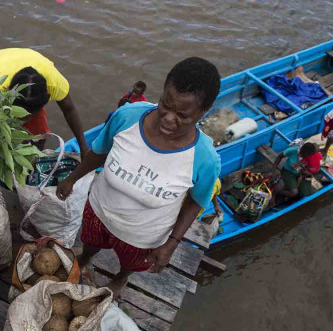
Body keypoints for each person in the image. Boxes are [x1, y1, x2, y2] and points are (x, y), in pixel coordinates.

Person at [56, 57, 221, 298]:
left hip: (144, 235)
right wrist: (72, 178)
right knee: (90, 241)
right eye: (165, 104)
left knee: (130, 263)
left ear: (203, 111)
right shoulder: (127, 117)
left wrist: (171, 244)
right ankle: (86, 257)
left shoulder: (205, 158)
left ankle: (121, 278)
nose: (168, 118)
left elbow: (196, 201)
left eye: (182, 116)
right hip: (99, 210)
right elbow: (99, 152)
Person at [0, 48, 89, 154]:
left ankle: (33, 163)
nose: (23, 120)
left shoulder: (54, 84)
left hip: (26, 60)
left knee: (39, 135)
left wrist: (84, 148)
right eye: (22, 114)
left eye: (28, 116)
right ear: (8, 92)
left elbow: (69, 109)